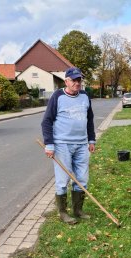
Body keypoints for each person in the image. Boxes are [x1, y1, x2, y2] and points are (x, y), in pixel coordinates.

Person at [41, 67, 96, 224]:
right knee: (62, 179)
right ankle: (63, 212)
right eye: (74, 80)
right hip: (62, 144)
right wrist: (49, 144)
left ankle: (78, 210)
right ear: (66, 81)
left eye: (79, 80)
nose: (77, 83)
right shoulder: (57, 96)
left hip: (81, 144)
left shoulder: (85, 96)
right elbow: (46, 121)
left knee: (82, 178)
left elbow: (89, 119)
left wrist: (91, 140)